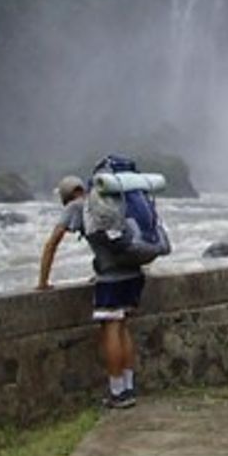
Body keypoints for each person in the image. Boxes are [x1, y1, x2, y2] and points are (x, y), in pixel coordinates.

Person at [37, 174, 145, 409]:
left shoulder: (76, 207)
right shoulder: (108, 201)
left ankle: (118, 393)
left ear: (66, 197)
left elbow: (52, 243)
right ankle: (128, 387)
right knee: (123, 326)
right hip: (134, 273)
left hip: (112, 279)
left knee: (111, 329)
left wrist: (43, 281)